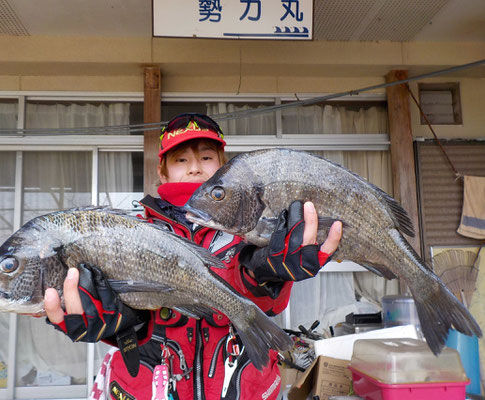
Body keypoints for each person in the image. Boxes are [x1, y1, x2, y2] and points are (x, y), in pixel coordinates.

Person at [44, 113, 342, 399]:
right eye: (181, 159)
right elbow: (124, 312)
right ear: (162, 170)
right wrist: (119, 324)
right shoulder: (133, 232)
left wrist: (267, 275)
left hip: (241, 387)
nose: (195, 167)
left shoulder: (250, 223)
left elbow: (268, 301)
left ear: (224, 167)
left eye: (206, 157)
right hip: (150, 387)